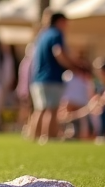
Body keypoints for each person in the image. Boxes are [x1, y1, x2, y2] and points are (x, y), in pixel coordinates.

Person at [28, 11, 86, 143]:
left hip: (37, 78)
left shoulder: (42, 35)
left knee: (39, 110)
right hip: (51, 77)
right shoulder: (56, 34)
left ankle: (34, 138)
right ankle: (47, 138)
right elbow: (58, 52)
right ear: (60, 21)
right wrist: (72, 67)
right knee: (51, 109)